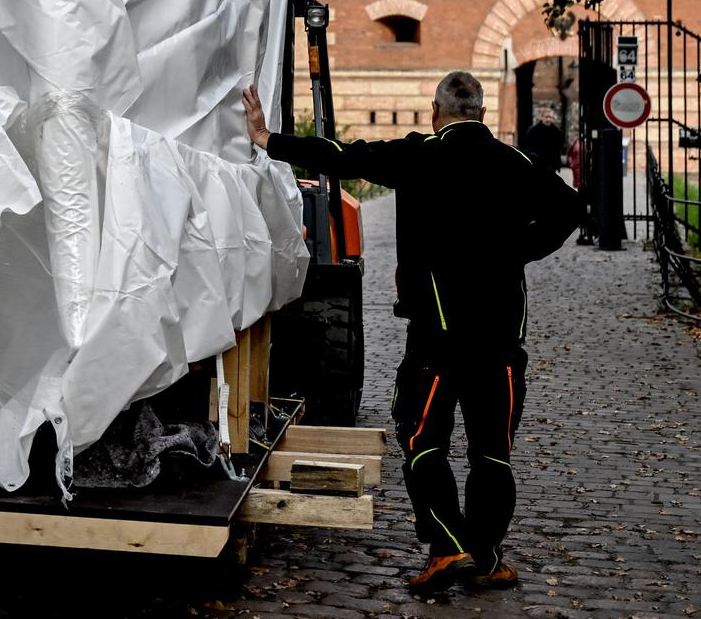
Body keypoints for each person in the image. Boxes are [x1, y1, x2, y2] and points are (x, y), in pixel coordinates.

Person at [242, 71, 582, 593]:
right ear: (484, 114)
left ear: (434, 111)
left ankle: (448, 549)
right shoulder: (514, 163)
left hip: (437, 338)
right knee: (493, 452)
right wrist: (520, 250)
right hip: (499, 341)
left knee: (423, 441)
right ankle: (487, 558)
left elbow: (342, 155)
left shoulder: (418, 155)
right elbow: (570, 209)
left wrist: (269, 140)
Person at [520, 110, 566, 176]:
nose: (548, 119)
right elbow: (527, 147)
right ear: (542, 117)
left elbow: (560, 146)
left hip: (551, 165)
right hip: (538, 163)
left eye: (550, 117)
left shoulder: (556, 132)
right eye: (546, 117)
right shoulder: (534, 131)